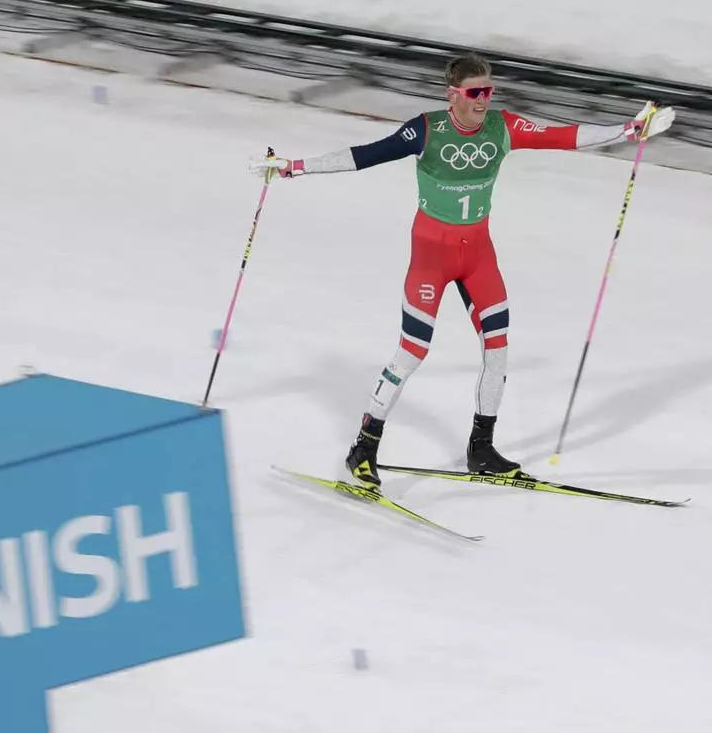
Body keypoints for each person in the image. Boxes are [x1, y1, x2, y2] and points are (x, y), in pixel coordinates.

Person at [250, 52, 675, 491]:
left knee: (498, 348)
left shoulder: (502, 127)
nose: (483, 100)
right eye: (475, 93)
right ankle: (364, 448)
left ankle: (482, 450)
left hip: (478, 255)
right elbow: (364, 155)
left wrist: (629, 129)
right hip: (431, 255)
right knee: (412, 352)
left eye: (489, 91)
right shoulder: (426, 129)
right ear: (453, 95)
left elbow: (564, 136)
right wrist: (293, 167)